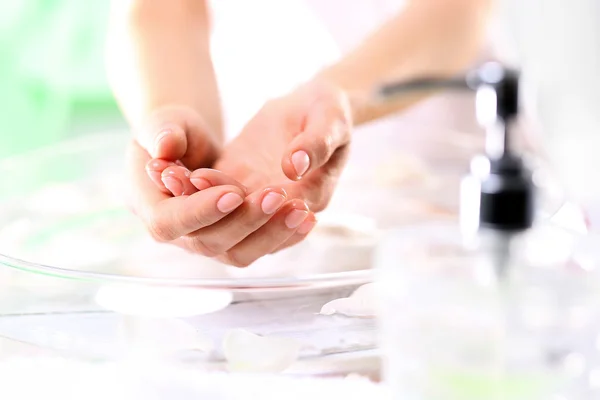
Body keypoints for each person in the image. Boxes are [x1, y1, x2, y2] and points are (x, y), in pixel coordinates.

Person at [106, 0, 492, 267]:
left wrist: (337, 98)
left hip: (441, 154)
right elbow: (160, 10)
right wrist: (170, 119)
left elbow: (458, 10)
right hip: (251, 147)